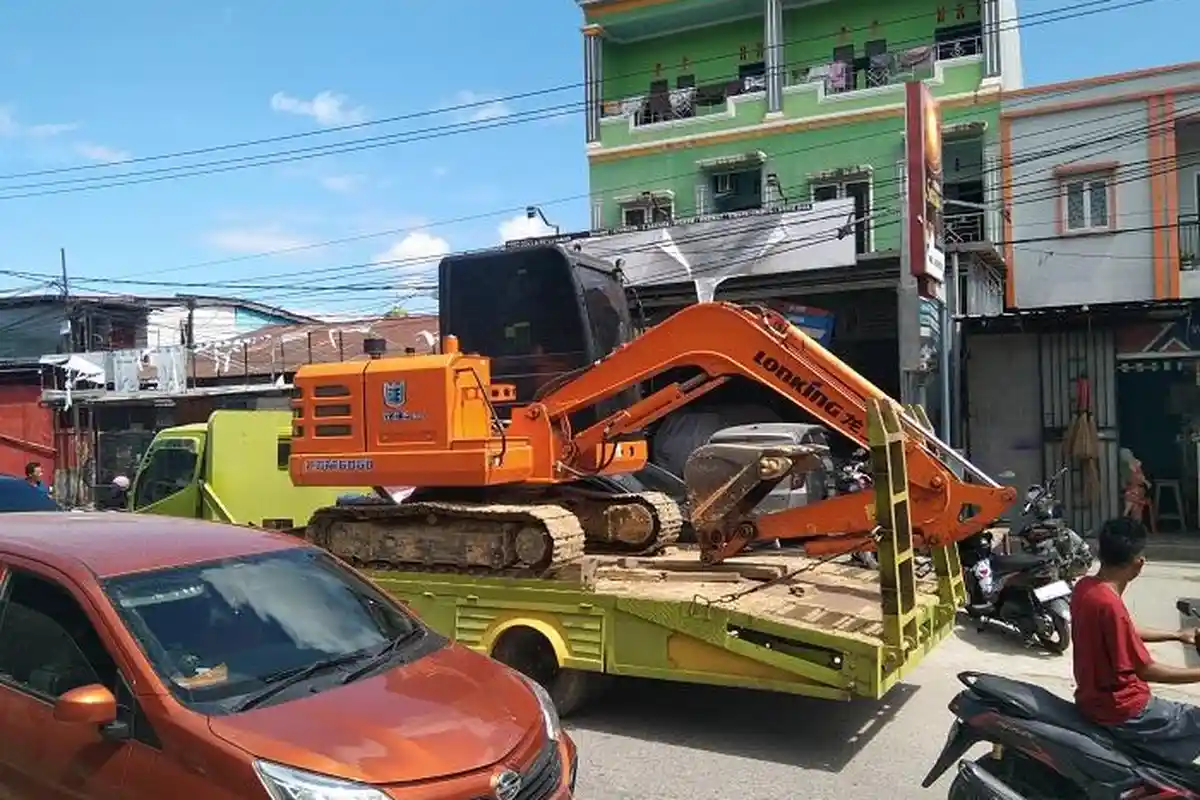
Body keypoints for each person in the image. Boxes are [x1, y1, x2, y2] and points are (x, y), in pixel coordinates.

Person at [1072, 516, 1200, 764]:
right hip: (1122, 708)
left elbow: (1125, 630)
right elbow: (1146, 669)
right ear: (1139, 563)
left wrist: (1176, 635)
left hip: (1092, 698)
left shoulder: (1086, 588)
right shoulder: (1110, 605)